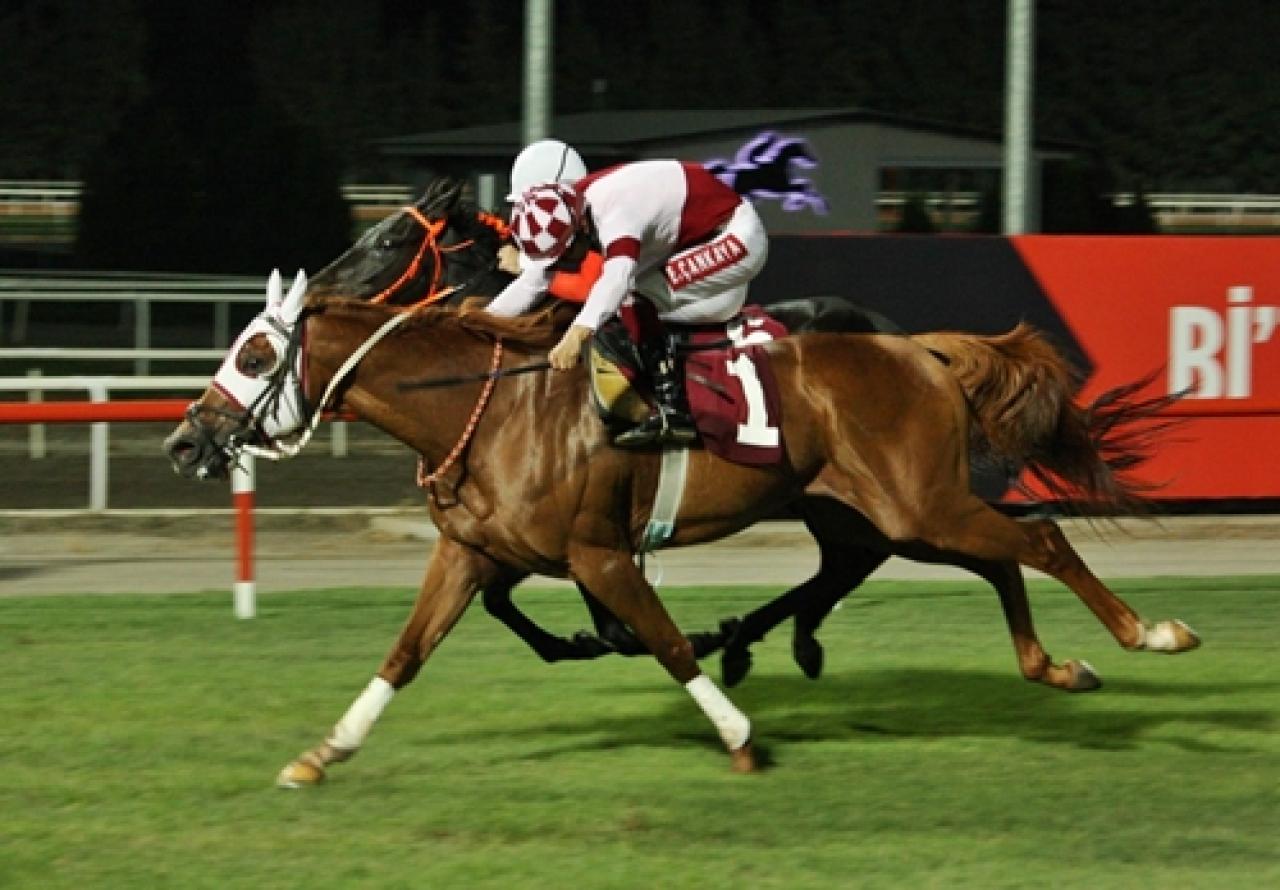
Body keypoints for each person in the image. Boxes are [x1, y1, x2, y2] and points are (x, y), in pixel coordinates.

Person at [487, 155, 769, 449]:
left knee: (633, 294)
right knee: (632, 297)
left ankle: (676, 410)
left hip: (737, 235)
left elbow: (617, 279)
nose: (562, 264)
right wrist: (478, 320)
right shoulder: (573, 209)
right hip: (695, 237)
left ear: (579, 231)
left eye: (563, 256)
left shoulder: (616, 214)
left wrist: (576, 334)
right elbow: (535, 279)